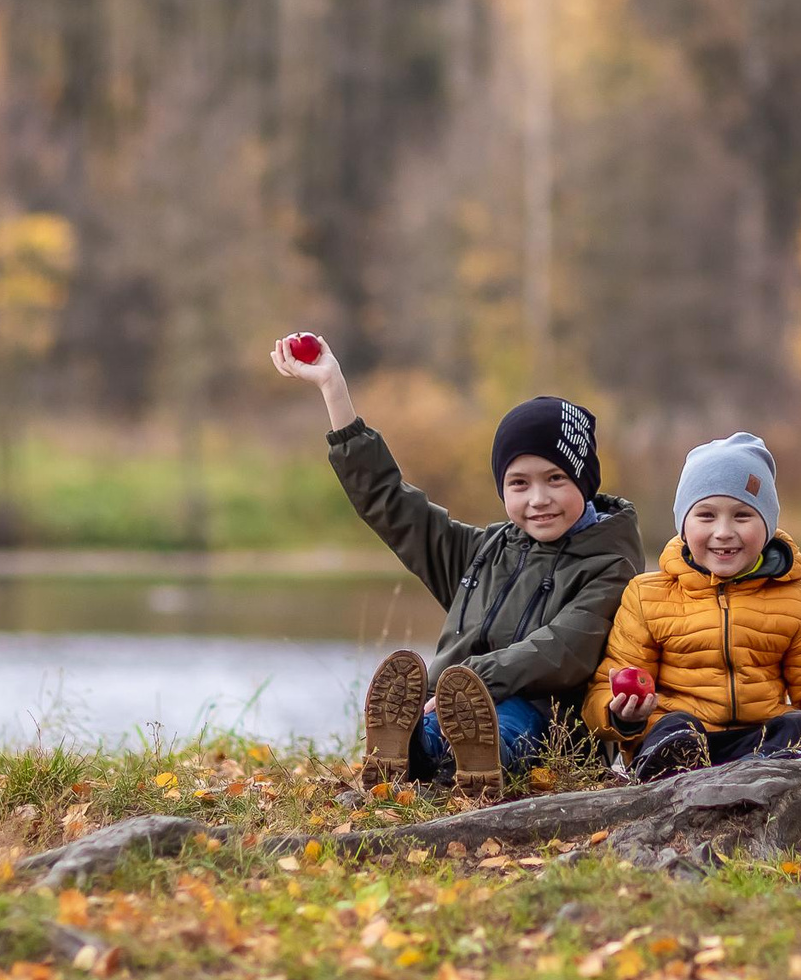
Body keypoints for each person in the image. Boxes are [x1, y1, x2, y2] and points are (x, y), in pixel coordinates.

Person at [273, 334, 641, 795]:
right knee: (428, 731)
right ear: (502, 489)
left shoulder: (611, 565)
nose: (538, 499)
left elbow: (563, 649)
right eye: (519, 483)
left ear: (584, 482)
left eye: (556, 479)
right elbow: (392, 506)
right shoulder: (485, 551)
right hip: (450, 705)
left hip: (550, 725)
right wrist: (333, 389)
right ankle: (404, 753)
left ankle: (475, 762)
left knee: (506, 724)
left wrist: (468, 681)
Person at [584, 431, 801, 779]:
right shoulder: (646, 594)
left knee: (800, 726)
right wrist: (622, 714)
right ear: (683, 525)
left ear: (768, 526)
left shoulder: (797, 600)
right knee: (676, 727)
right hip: (679, 739)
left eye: (743, 516)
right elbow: (600, 692)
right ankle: (679, 775)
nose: (724, 531)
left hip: (757, 741)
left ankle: (755, 776)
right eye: (706, 515)